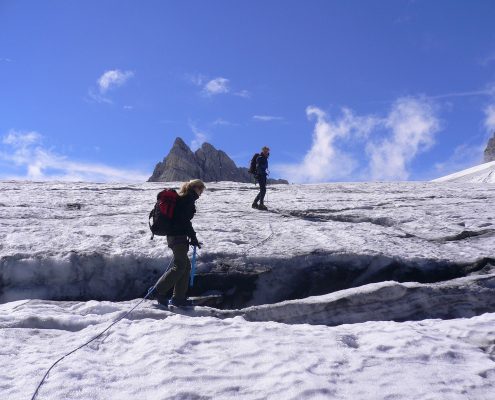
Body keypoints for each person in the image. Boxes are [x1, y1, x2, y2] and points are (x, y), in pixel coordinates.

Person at [154, 179, 205, 307]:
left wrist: (192, 237)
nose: (201, 193)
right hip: (178, 237)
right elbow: (184, 221)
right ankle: (158, 291)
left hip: (175, 236)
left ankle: (179, 298)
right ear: (196, 188)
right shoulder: (187, 199)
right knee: (180, 265)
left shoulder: (184, 198)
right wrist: (193, 237)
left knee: (186, 266)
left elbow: (183, 220)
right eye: (201, 189)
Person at [252, 146, 270, 210]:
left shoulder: (264, 158)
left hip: (262, 175)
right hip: (260, 175)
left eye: (267, 151)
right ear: (263, 151)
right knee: (263, 190)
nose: (266, 152)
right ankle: (261, 204)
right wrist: (261, 174)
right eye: (265, 151)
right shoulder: (260, 158)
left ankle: (255, 203)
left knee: (263, 190)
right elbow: (258, 167)